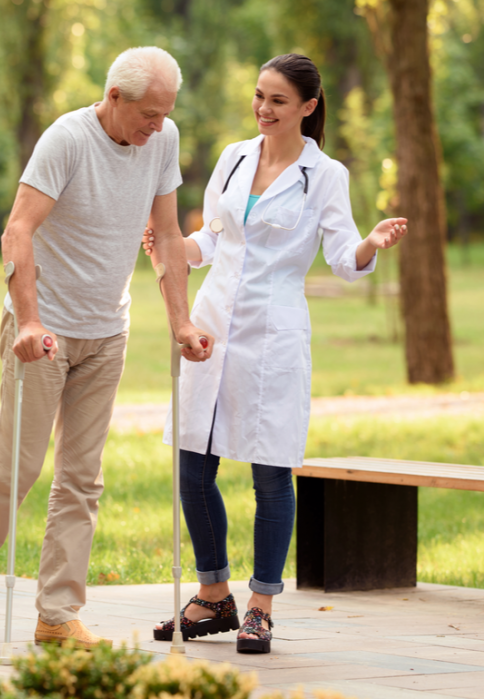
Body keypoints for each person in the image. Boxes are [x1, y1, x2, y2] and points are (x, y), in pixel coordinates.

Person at [0, 46, 213, 649]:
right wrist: (30, 321)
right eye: (148, 113)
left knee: (82, 478)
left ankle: (57, 613)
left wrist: (181, 323)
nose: (158, 126)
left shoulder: (161, 140)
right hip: (44, 331)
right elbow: (19, 228)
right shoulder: (65, 140)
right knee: (20, 468)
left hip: (107, 330)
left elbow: (167, 237)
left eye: (166, 114)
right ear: (114, 97)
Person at [143, 53, 407, 654]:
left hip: (274, 332)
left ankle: (261, 605)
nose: (263, 109)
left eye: (278, 101)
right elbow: (211, 237)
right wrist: (173, 245)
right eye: (259, 96)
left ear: (308, 108)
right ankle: (214, 595)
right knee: (192, 464)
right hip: (211, 324)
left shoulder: (325, 175)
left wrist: (370, 242)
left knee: (270, 471)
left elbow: (344, 258)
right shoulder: (235, 156)